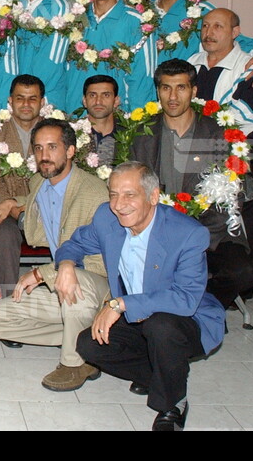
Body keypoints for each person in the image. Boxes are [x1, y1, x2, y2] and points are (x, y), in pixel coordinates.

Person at [58, 162, 226, 431]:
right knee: (89, 344)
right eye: (113, 194)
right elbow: (75, 243)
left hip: (185, 319)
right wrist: (66, 264)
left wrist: (121, 303)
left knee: (161, 326)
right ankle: (163, 373)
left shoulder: (187, 233)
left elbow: (185, 299)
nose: (119, 204)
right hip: (136, 315)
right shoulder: (106, 218)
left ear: (153, 196)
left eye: (129, 195)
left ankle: (173, 401)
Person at [0, 119, 109, 391]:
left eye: (52, 147)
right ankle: (89, 341)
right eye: (38, 148)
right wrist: (12, 203)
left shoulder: (94, 192)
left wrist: (42, 273)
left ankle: (74, 363)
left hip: (97, 281)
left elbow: (88, 255)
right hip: (62, 279)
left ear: (71, 151)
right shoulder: (40, 181)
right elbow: (36, 212)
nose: (44, 155)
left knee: (72, 281)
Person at [131, 59, 253, 308]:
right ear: (158, 91)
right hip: (159, 232)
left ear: (194, 91)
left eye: (181, 88)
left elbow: (239, 191)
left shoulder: (218, 134)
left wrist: (196, 233)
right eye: (166, 88)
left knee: (243, 272)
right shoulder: (142, 135)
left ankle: (203, 306)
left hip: (212, 233)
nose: (173, 96)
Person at [188, 8, 253, 294]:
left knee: (242, 220)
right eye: (205, 26)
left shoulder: (250, 67)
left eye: (219, 27)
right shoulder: (192, 63)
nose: (209, 32)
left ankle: (241, 284)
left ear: (235, 32)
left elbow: (249, 116)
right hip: (197, 153)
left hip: (241, 153)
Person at [66, 0, 155, 110]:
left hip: (117, 119)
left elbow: (143, 77)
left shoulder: (136, 22)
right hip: (75, 113)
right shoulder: (74, 18)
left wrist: (136, 120)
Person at [0, 74, 46, 299]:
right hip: (8, 211)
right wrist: (9, 206)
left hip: (48, 208)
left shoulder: (55, 132)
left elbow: (63, 177)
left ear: (42, 102)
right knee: (3, 232)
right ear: (10, 101)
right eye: (20, 98)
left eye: (33, 99)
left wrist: (26, 206)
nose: (26, 104)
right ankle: (10, 301)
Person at [15, 0, 70, 110]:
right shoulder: (16, 3)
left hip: (43, 98)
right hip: (16, 96)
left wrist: (33, 98)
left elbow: (53, 60)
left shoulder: (60, 7)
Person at [81, 75, 120, 167]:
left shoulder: (129, 134)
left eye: (106, 95)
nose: (98, 101)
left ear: (116, 101)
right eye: (92, 95)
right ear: (84, 101)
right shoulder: (71, 134)